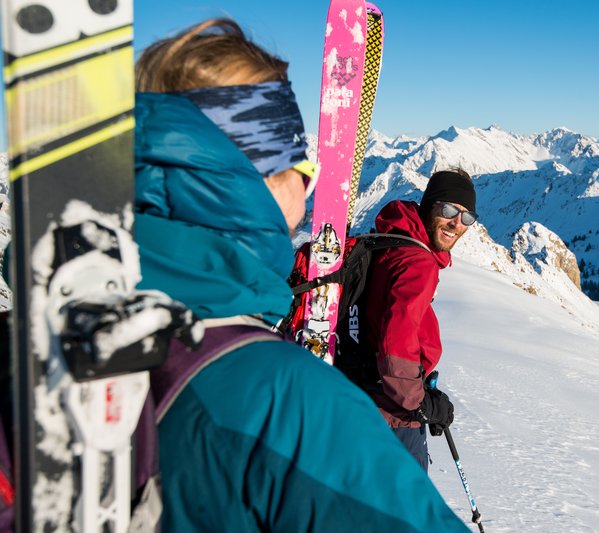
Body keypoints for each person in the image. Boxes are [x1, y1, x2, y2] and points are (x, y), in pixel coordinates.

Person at [134, 19, 468, 532]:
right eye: (294, 154)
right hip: (382, 410)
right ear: (255, 178)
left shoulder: (37, 339)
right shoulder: (292, 403)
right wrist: (419, 399)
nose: (309, 174)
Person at [346, 169, 478, 471]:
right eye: (448, 210)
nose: (457, 224)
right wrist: (419, 404)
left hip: (369, 399)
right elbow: (397, 343)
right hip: (393, 418)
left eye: (467, 217)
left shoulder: (392, 241)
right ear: (430, 205)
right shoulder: (418, 263)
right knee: (404, 512)